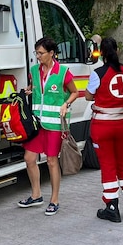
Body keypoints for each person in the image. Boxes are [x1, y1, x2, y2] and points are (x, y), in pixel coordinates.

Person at [17, 37, 78, 216]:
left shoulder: (63, 72)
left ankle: (54, 199)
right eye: (36, 53)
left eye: (41, 53)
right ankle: (36, 195)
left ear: (51, 53)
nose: (38, 56)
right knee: (29, 158)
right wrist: (29, 89)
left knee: (52, 161)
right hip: (37, 123)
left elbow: (75, 92)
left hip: (54, 125)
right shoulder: (34, 70)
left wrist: (66, 104)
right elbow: (35, 87)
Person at [84, 37, 123, 222]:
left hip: (103, 127)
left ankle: (112, 206)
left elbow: (88, 97)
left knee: (107, 165)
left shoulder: (98, 73)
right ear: (116, 50)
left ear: (102, 53)